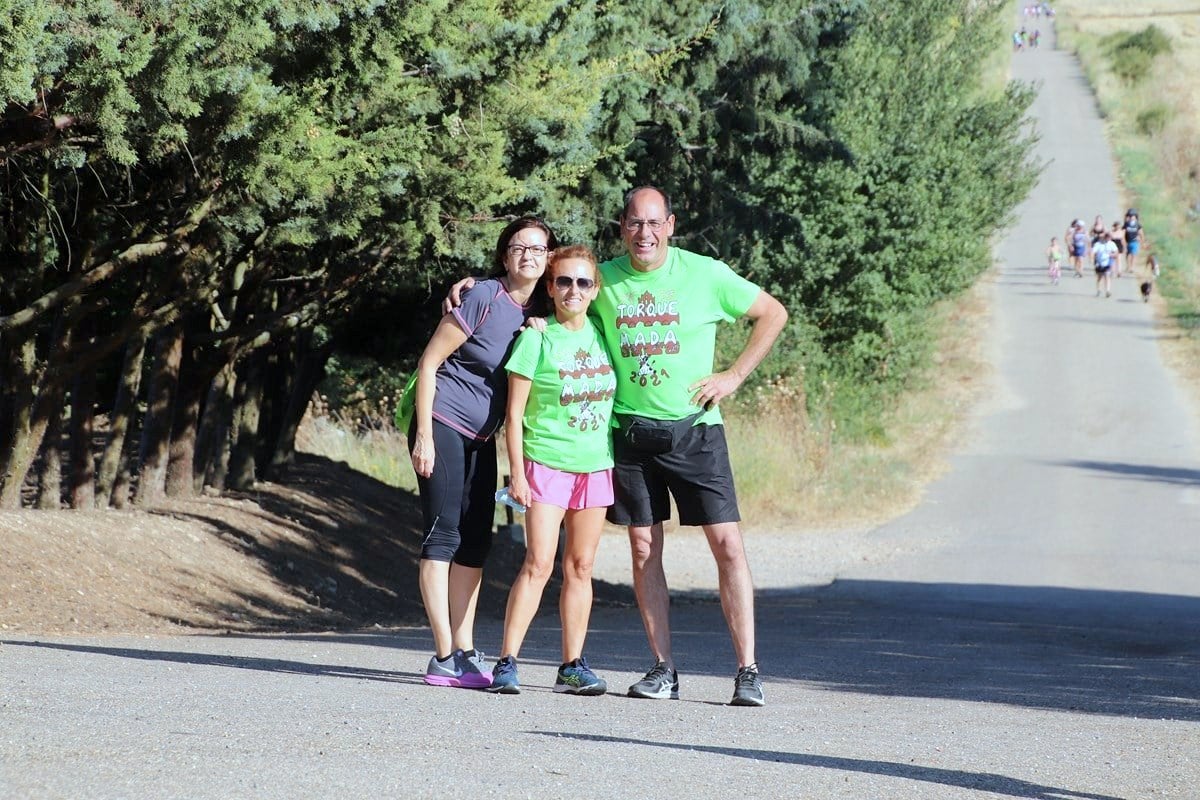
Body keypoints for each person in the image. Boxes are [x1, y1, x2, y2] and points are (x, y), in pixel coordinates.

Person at [445, 187, 788, 707]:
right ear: (622, 227)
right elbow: (542, 286)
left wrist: (734, 375)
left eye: (654, 223)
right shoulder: (601, 278)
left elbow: (773, 313)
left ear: (670, 225)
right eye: (634, 223)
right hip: (627, 436)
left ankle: (748, 670)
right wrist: (473, 287)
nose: (644, 233)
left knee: (728, 545)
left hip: (695, 430)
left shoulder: (706, 274)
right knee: (643, 549)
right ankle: (662, 670)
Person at [409, 216, 555, 688]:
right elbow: (429, 361)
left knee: (477, 543)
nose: (528, 255)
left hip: (481, 438)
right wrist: (424, 437)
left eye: (538, 249)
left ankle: (465, 648)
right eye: (519, 247)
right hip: (444, 422)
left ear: (549, 257)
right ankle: (442, 655)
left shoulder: (544, 307)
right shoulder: (481, 296)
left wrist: (543, 320)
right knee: (443, 535)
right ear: (504, 254)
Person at [488, 245, 617, 697]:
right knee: (539, 563)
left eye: (583, 282)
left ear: (595, 288)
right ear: (550, 286)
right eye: (564, 281)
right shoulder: (536, 339)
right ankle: (507, 661)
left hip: (596, 467)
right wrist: (517, 474)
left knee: (581, 567)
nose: (574, 290)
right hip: (545, 465)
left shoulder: (603, 333)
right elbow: (514, 416)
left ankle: (572, 665)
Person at [1092, 229, 1118, 298]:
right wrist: (1093, 259)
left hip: (1107, 262)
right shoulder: (1098, 244)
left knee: (1107, 276)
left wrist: (1112, 255)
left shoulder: (1112, 244)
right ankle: (1099, 290)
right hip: (1099, 263)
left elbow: (1116, 253)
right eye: (1107, 237)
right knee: (1099, 277)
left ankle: (1107, 291)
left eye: (1109, 237)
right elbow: (1093, 252)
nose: (1108, 238)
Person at [1123, 208, 1146, 275]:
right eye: (1130, 216)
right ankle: (1128, 266)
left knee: (1133, 254)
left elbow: (1141, 233)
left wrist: (1142, 241)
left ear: (1135, 217)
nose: (1131, 217)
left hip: (1135, 241)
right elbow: (1123, 232)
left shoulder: (1137, 225)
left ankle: (1132, 267)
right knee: (1128, 254)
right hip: (1127, 241)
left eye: (1132, 216)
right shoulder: (1126, 224)